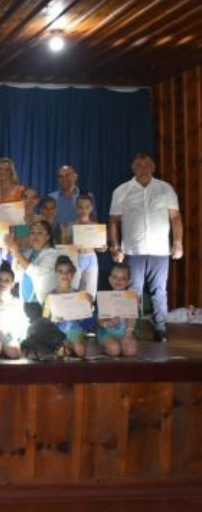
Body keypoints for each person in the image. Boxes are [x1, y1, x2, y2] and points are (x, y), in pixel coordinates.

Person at [108, 153, 182, 342]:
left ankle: (160, 328)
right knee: (133, 292)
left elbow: (175, 218)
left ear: (153, 168)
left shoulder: (165, 189)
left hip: (160, 250)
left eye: (146, 165)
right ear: (133, 169)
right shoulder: (121, 190)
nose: (143, 169)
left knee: (160, 291)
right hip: (133, 250)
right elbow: (114, 221)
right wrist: (114, 246)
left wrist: (177, 243)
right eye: (139, 166)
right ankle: (131, 329)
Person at [43, 255, 92, 358]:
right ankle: (67, 348)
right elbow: (45, 318)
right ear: (56, 273)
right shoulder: (50, 295)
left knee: (81, 351)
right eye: (60, 271)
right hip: (58, 331)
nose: (64, 274)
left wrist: (89, 303)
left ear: (73, 273)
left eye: (68, 271)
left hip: (75, 331)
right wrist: (53, 319)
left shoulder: (80, 294)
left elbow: (86, 318)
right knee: (62, 351)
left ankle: (72, 347)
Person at [5, 219, 59, 305]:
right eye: (32, 232)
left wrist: (16, 252)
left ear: (48, 237)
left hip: (41, 303)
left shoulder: (52, 254)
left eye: (40, 232)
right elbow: (17, 275)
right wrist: (13, 253)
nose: (35, 236)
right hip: (25, 302)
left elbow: (35, 272)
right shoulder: (27, 253)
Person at [0, 264, 25, 359]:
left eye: (7, 280)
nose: (2, 283)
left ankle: (7, 348)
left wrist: (14, 335)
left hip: (10, 336)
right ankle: (0, 349)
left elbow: (21, 323)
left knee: (13, 352)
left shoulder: (16, 302)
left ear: (12, 284)